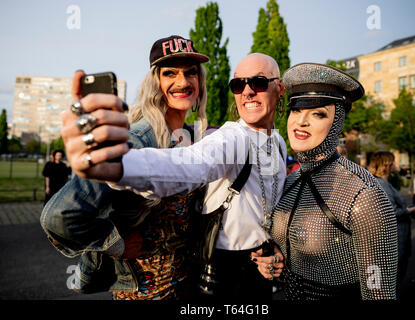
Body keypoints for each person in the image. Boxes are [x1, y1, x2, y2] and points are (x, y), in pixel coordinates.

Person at [58, 52, 287, 301]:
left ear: (280, 88)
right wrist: (118, 165)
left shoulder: (277, 143)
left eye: (259, 82)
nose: (248, 91)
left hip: (235, 274)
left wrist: (271, 248)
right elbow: (188, 166)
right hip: (216, 276)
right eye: (238, 84)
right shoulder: (231, 138)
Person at [41, 35, 210, 300]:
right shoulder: (138, 139)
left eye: (191, 73)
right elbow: (59, 217)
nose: (183, 82)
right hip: (142, 292)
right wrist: (115, 243)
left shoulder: (194, 137)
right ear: (155, 82)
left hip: (186, 287)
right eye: (170, 73)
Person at [253, 63, 398, 301]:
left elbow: (379, 292)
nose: (301, 121)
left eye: (318, 113)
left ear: (337, 124)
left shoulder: (364, 194)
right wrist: (272, 260)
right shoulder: (288, 183)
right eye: (297, 110)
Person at [368, 151, 415, 296]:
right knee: (392, 280)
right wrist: (411, 209)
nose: (396, 165)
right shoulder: (381, 184)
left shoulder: (382, 182)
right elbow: (390, 212)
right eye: (393, 162)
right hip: (395, 237)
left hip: (396, 236)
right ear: (386, 164)